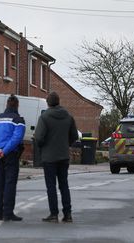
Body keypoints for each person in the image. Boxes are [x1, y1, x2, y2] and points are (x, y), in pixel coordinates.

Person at [35, 92, 78, 223]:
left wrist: (42, 146)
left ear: (48, 103)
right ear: (59, 101)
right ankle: (68, 214)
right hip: (64, 156)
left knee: (51, 186)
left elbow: (39, 137)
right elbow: (74, 136)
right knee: (64, 185)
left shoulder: (45, 117)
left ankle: (54, 214)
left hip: (49, 157)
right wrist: (66, 144)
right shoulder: (68, 117)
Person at [0, 94, 25, 221]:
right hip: (11, 155)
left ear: (7, 105)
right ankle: (8, 213)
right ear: (17, 105)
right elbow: (17, 138)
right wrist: (5, 150)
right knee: (10, 183)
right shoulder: (18, 120)